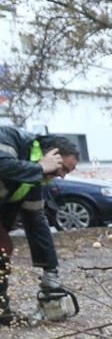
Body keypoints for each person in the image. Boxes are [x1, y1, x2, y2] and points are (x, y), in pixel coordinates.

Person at [0, 130, 79, 326]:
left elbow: (37, 223)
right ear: (51, 155)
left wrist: (50, 271)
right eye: (64, 169)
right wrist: (40, 167)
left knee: (3, 249)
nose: (61, 176)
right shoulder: (8, 139)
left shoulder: (32, 179)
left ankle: (2, 312)